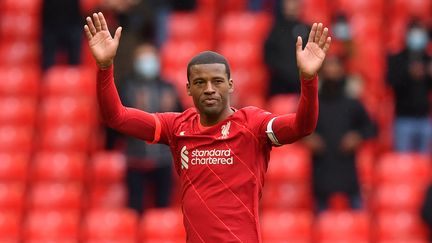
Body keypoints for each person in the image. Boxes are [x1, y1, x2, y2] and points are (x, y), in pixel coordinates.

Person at [84, 12, 331, 242]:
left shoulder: (252, 125)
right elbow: (116, 117)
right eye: (200, 82)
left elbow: (302, 126)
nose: (210, 89)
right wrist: (105, 67)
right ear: (189, 88)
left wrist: (308, 80)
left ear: (231, 85)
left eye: (217, 81)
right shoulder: (177, 127)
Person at [302, 55, 375, 212]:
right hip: (322, 167)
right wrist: (307, 138)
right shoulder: (313, 102)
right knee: (321, 217)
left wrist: (358, 137)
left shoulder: (352, 103)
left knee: (357, 214)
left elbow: (371, 128)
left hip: (347, 168)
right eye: (328, 70)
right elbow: (295, 126)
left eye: (335, 69)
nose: (332, 73)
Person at [120, 42, 183, 213]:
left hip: (164, 159)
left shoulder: (168, 87)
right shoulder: (126, 86)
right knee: (135, 209)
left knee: (163, 209)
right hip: (136, 158)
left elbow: (182, 118)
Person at [386, 20, 432, 154]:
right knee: (404, 163)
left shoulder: (428, 59)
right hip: (403, 119)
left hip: (424, 119)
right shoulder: (397, 59)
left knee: (425, 166)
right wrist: (408, 73)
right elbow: (390, 82)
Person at [264, 0, 310, 95]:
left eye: (294, 2)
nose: (291, 6)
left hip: (301, 83)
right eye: (289, 2)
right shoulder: (275, 30)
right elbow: (268, 56)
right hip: (280, 84)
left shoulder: (307, 29)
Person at [41, 0, 83, 70]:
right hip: (51, 28)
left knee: (75, 61)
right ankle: (47, 77)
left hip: (72, 27)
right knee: (48, 62)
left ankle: (74, 78)